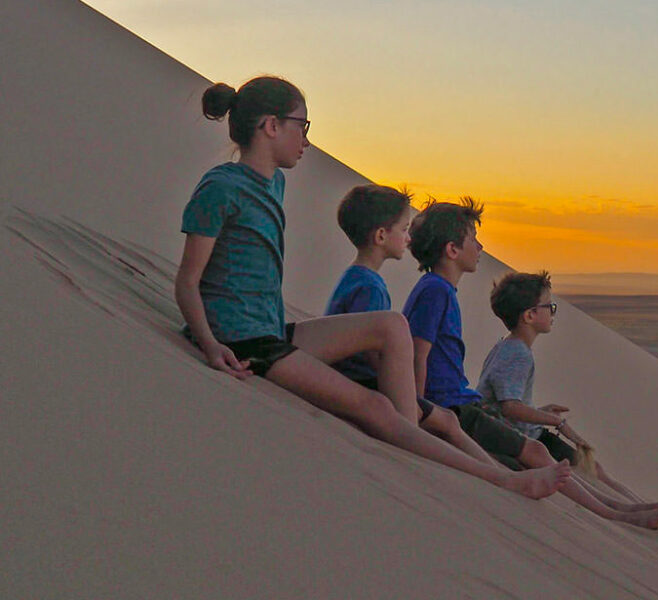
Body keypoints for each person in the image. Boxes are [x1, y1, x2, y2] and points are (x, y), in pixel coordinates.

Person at [174, 76, 569, 500]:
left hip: (271, 330)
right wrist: (212, 344)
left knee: (392, 325)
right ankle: (495, 478)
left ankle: (409, 433)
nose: (306, 139)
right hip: (242, 343)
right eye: (301, 126)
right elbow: (188, 281)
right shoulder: (222, 188)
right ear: (271, 126)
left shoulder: (275, 183)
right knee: (374, 407)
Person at [402, 200, 658, 528]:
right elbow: (417, 354)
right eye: (473, 238)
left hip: (461, 405)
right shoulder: (437, 292)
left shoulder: (439, 290)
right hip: (452, 408)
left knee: (539, 455)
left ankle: (615, 506)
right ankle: (613, 513)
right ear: (451, 249)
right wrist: (415, 413)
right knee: (537, 455)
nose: (479, 246)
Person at [479, 271, 658, 523]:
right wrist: (554, 421)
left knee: (594, 470)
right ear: (529, 315)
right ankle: (624, 512)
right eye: (549, 306)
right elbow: (509, 408)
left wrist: (541, 411)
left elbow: (503, 402)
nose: (553, 313)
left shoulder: (506, 346)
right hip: (524, 439)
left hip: (527, 432)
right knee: (583, 475)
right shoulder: (517, 353)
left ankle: (650, 508)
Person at [325, 183, 501, 464]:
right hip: (363, 384)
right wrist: (412, 401)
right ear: (382, 236)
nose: (409, 239)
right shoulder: (370, 287)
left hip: (368, 382)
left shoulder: (359, 279)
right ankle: (495, 474)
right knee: (448, 425)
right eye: (403, 230)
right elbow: (375, 354)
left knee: (451, 425)